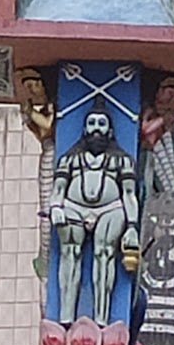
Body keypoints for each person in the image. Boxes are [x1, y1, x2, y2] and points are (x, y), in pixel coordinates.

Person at [50, 101, 139, 325]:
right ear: (84, 129)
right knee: (70, 253)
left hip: (111, 209)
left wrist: (131, 227)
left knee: (105, 254)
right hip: (73, 207)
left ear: (110, 130)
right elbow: (58, 189)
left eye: (101, 123)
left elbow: (129, 194)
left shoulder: (122, 160)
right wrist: (56, 207)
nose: (96, 129)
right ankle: (66, 316)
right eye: (91, 123)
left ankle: (101, 318)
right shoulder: (69, 159)